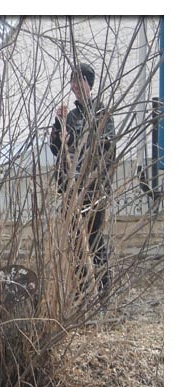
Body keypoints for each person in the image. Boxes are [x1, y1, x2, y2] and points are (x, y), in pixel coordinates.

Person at [50, 61, 117, 296]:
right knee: (76, 244)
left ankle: (104, 294)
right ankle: (81, 295)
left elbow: (106, 149)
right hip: (70, 190)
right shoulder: (70, 115)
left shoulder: (102, 114)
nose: (77, 85)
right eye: (73, 80)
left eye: (81, 80)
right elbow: (56, 148)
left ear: (90, 83)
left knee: (96, 241)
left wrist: (77, 140)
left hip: (93, 190)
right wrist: (59, 124)